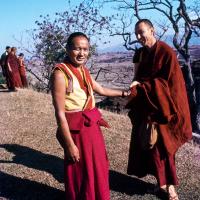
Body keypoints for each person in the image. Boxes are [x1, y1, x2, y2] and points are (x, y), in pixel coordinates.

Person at [51, 32, 129, 200]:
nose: (82, 53)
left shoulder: (83, 70)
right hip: (76, 131)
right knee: (81, 169)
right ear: (67, 49)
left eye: (85, 49)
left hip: (91, 126)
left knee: (98, 165)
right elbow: (59, 113)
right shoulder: (60, 74)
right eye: (77, 49)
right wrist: (69, 144)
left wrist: (125, 93)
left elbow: (101, 89)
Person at [126, 19, 192, 200]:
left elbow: (170, 84)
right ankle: (159, 183)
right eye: (136, 33)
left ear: (152, 30)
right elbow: (138, 76)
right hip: (149, 106)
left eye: (142, 32)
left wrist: (143, 86)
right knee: (152, 148)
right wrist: (137, 85)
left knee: (165, 149)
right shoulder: (141, 53)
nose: (139, 37)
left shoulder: (166, 52)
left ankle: (171, 188)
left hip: (165, 108)